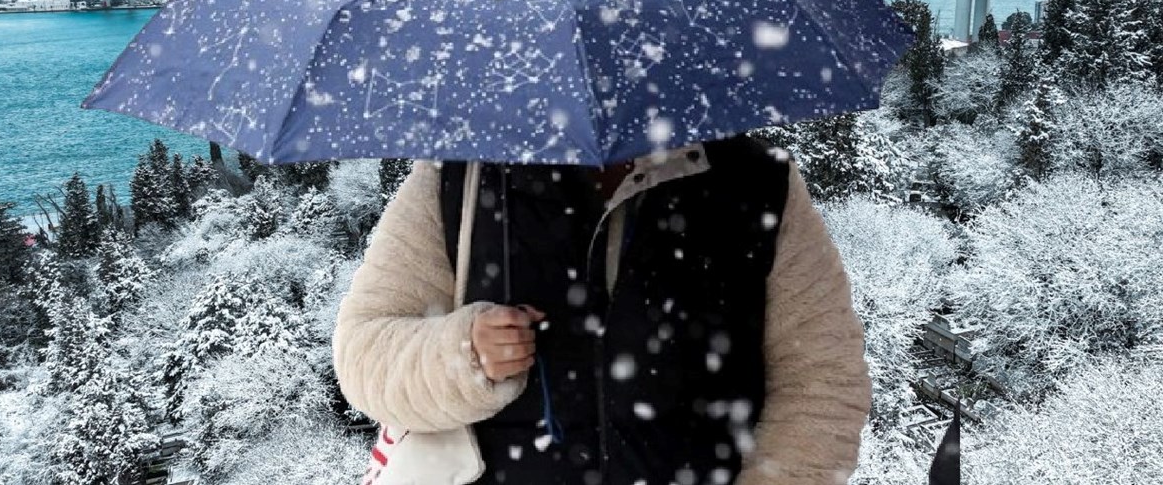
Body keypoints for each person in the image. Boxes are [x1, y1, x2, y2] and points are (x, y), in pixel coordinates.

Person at [333, 133, 871, 485]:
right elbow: (362, 355)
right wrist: (462, 354)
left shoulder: (756, 186)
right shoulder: (463, 179)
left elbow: (823, 382)